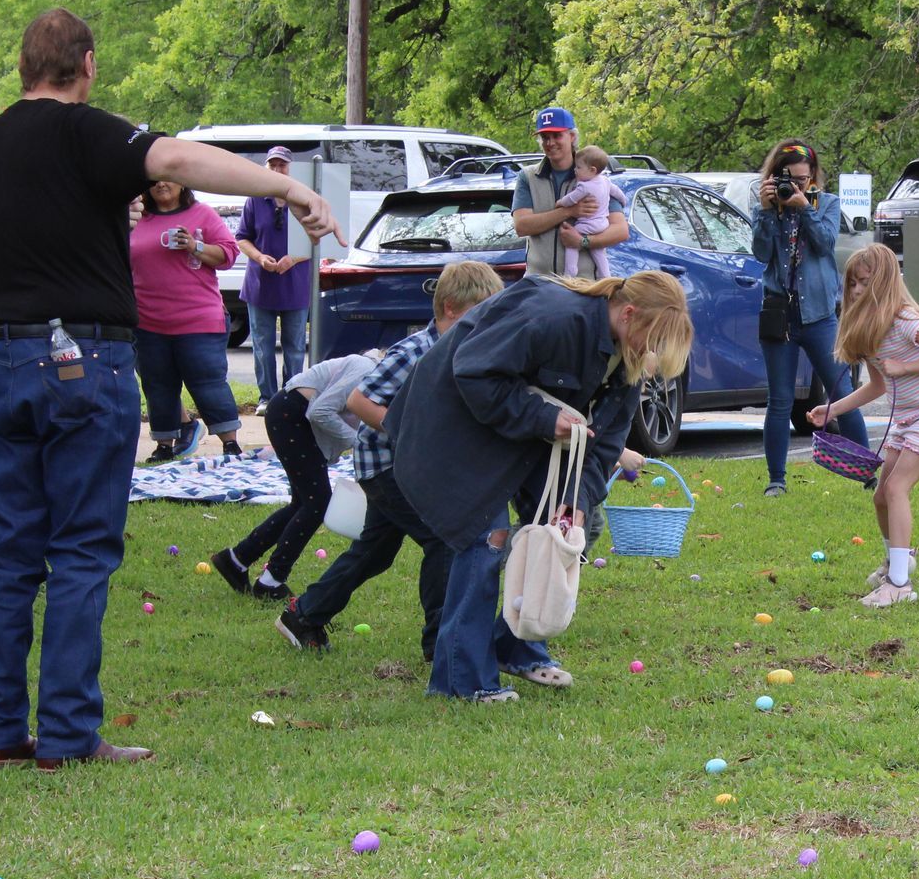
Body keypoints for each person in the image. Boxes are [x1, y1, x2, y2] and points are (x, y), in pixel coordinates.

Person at [0, 7, 338, 771]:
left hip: (1, 364)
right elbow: (184, 162)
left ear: (24, 66)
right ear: (87, 65)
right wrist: (284, 189)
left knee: (12, 552)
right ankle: (65, 737)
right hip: (82, 363)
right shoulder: (89, 130)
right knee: (83, 550)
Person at [387, 271, 691, 702]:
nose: (652, 354)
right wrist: (545, 419)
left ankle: (517, 646)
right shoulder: (554, 317)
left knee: (558, 532)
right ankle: (461, 682)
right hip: (452, 423)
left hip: (515, 434)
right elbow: (474, 372)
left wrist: (576, 503)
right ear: (628, 314)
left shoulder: (628, 358)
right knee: (484, 538)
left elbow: (604, 444)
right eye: (653, 341)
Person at [275, 261, 505, 660]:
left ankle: (304, 614)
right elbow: (359, 400)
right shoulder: (417, 351)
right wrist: (410, 434)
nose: (485, 325)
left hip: (415, 468)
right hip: (386, 466)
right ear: (451, 308)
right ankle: (440, 643)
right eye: (479, 314)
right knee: (443, 539)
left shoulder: (463, 349)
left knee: (375, 552)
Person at [808, 243, 919, 608]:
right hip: (907, 417)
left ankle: (900, 585)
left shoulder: (908, 321)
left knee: (896, 489)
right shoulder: (870, 328)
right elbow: (877, 386)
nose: (857, 290)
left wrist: (906, 368)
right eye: (852, 284)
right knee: (881, 495)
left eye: (864, 282)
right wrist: (832, 411)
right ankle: (899, 558)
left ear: (883, 283)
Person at [211, 349, 378, 601]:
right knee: (318, 503)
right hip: (290, 414)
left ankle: (236, 560)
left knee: (304, 503)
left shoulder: (375, 376)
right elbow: (320, 411)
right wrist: (359, 442)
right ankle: (272, 580)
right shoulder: (366, 370)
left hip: (294, 417)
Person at [753, 138, 867, 498]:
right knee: (780, 400)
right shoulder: (768, 207)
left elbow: (824, 244)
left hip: (819, 316)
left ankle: (865, 471)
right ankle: (777, 480)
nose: (799, 186)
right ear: (776, 175)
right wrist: (767, 212)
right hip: (780, 316)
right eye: (792, 180)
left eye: (805, 179)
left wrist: (804, 207)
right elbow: (760, 253)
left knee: (841, 393)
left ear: (814, 176)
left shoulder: (826, 203)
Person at [130, 177, 242, 461]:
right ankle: (164, 444)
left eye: (168, 178)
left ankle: (230, 444)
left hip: (198, 319)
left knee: (207, 382)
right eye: (153, 180)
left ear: (182, 183)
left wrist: (195, 246)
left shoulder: (202, 213)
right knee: (157, 386)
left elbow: (228, 254)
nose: (161, 184)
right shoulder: (136, 218)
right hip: (147, 320)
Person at [510, 108, 631, 280]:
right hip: (538, 285)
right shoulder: (528, 176)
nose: (550, 143)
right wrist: (568, 211)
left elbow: (620, 230)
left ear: (572, 136)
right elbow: (522, 226)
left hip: (585, 286)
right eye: (545, 137)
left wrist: (583, 242)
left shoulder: (595, 176)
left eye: (557, 135)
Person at [234, 146, 310, 406]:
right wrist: (259, 257)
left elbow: (319, 239)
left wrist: (294, 258)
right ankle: (267, 398)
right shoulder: (255, 199)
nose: (277, 170)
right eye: (273, 165)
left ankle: (292, 397)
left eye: (282, 165)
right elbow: (242, 238)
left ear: (291, 168)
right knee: (262, 344)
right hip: (260, 284)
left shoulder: (303, 198)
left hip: (295, 283)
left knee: (295, 345)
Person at [555, 146, 627, 278]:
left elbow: (571, 199)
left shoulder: (584, 186)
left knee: (572, 239)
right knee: (598, 250)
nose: (575, 170)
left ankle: (570, 271)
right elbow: (617, 192)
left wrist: (560, 203)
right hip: (602, 224)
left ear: (592, 170)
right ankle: (605, 276)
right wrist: (624, 201)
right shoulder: (605, 181)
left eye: (579, 167)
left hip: (588, 224)